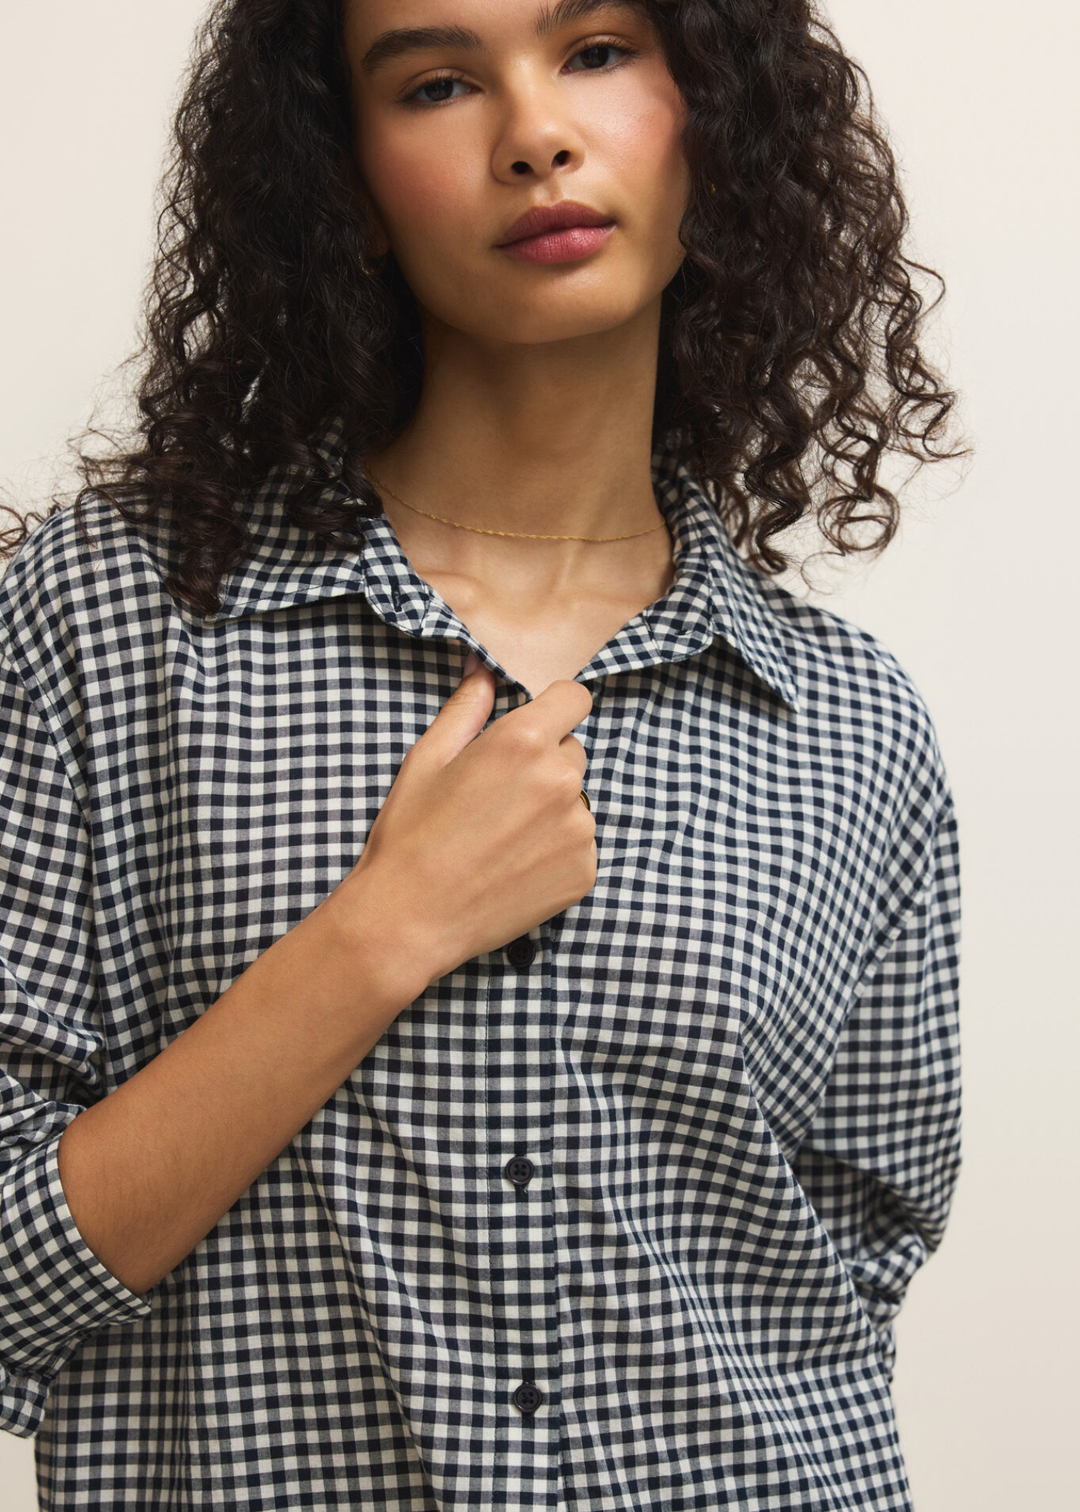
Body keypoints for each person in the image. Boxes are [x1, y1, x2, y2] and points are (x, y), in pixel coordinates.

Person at [0, 1, 965, 1508]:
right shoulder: (114, 620)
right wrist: (383, 931)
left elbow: (838, 1282)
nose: (535, 135)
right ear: (347, 179)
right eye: (439, 83)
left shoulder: (848, 725)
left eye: (595, 52)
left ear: (713, 114)